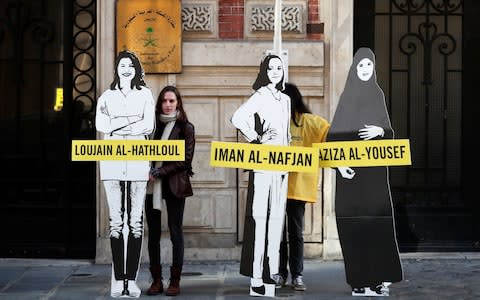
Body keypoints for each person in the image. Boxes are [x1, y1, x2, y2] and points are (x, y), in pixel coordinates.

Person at [326, 47, 403, 296]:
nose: (365, 70)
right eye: (361, 66)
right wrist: (339, 165)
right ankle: (359, 280)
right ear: (354, 69)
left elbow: (389, 132)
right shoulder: (347, 97)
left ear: (374, 68)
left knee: (378, 226)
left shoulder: (377, 95)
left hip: (374, 177)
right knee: (355, 227)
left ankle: (379, 278)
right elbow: (332, 139)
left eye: (369, 65)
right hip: (352, 176)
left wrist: (380, 132)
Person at [95, 50, 155, 298]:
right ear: (116, 69)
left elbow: (148, 125)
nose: (127, 69)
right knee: (116, 223)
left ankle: (132, 280)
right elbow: (101, 125)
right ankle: (119, 280)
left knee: (136, 222)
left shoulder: (145, 95)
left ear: (136, 69)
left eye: (131, 65)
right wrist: (130, 123)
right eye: (122, 65)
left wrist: (118, 124)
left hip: (138, 160)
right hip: (111, 161)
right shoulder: (106, 96)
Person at [231, 54, 291, 297]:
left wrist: (288, 160)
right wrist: (254, 138)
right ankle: (256, 275)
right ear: (264, 71)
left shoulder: (285, 99)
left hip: (282, 165)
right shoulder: (261, 95)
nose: (276, 71)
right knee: (260, 219)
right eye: (271, 68)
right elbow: (238, 117)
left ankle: (272, 271)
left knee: (277, 219)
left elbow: (286, 134)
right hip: (263, 163)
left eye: (279, 68)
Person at [273, 83, 330, 291]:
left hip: (297, 189)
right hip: (276, 188)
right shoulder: (273, 122)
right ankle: (280, 273)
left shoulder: (308, 122)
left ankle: (296, 275)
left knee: (295, 234)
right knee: (278, 235)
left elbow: (329, 133)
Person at [145, 85, 195, 297]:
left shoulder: (185, 127)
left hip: (174, 185)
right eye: (164, 101)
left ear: (178, 103)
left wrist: (159, 172)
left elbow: (185, 160)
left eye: (171, 101)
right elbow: (142, 151)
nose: (167, 105)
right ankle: (156, 280)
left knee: (176, 233)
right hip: (151, 187)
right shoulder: (151, 127)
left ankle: (175, 281)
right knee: (153, 234)